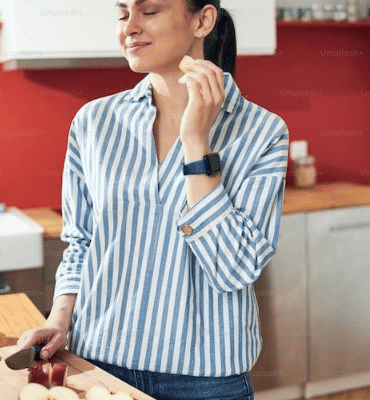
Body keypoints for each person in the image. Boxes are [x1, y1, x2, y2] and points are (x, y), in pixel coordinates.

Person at [17, 1, 289, 399]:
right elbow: (82, 243)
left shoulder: (262, 132)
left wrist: (196, 143)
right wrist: (60, 318)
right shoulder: (94, 122)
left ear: (202, 20)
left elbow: (234, 268)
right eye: (123, 13)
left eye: (150, 11)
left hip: (207, 379)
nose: (130, 27)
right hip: (100, 364)